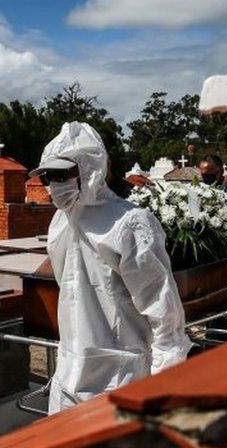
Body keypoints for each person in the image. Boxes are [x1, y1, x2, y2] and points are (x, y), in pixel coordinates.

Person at [32, 122, 191, 413]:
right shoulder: (60, 223)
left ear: (90, 167)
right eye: (48, 177)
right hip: (67, 374)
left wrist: (165, 385)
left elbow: (163, 311)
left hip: (120, 378)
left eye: (62, 174)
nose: (54, 184)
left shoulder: (129, 224)